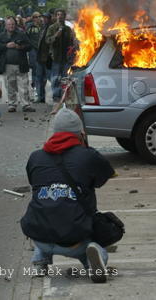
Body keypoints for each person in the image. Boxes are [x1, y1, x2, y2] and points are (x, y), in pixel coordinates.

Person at [20, 107, 115, 283]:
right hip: (74, 240)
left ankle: (41, 259)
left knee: (46, 204)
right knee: (88, 237)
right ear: (81, 133)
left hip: (39, 234)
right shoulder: (88, 156)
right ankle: (91, 256)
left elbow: (34, 184)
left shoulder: (36, 157)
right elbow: (104, 177)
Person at [0, 17, 35, 113]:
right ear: (6, 26)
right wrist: (6, 46)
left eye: (13, 24)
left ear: (15, 25)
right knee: (10, 85)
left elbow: (29, 46)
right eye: (9, 24)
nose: (11, 26)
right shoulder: (1, 36)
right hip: (7, 64)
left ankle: (26, 104)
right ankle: (12, 104)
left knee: (24, 85)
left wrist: (20, 47)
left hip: (21, 63)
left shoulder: (21, 34)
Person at [46, 9, 76, 102]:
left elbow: (71, 42)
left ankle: (64, 95)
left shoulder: (67, 29)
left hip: (66, 58)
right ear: (56, 16)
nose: (60, 16)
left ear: (64, 16)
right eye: (58, 15)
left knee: (65, 78)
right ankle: (56, 96)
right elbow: (47, 40)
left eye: (62, 15)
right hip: (56, 57)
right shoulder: (52, 28)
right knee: (55, 78)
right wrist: (56, 35)